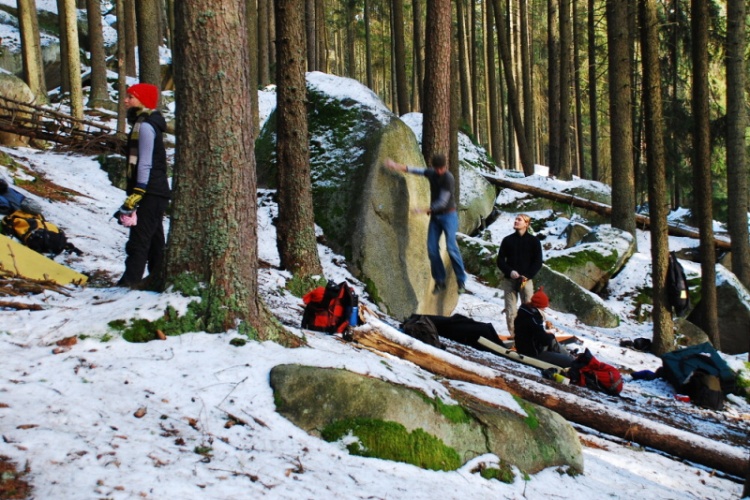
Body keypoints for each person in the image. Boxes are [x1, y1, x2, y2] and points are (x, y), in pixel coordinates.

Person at [384, 154, 467, 295]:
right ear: (434, 168)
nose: (439, 171)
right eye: (437, 169)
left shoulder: (448, 178)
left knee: (451, 247)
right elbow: (415, 170)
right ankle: (440, 281)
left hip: (448, 215)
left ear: (445, 167)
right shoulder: (431, 173)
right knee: (432, 249)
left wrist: (422, 210)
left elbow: (442, 202)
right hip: (435, 217)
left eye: (441, 169)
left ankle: (461, 280)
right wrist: (395, 166)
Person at [115, 83, 171, 289]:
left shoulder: (146, 126)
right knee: (155, 240)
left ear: (143, 101)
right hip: (154, 190)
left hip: (150, 190)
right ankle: (157, 278)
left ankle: (130, 282)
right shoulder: (142, 124)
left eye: (131, 97)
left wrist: (139, 190)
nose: (126, 100)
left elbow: (145, 161)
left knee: (139, 239)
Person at [496, 213, 543, 337]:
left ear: (526, 224)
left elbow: (538, 262)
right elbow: (500, 260)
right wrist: (510, 271)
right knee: (511, 310)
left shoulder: (534, 241)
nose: (516, 221)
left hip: (526, 280)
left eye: (519, 220)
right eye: (515, 219)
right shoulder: (507, 240)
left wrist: (527, 275)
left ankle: (529, 336)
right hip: (510, 280)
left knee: (529, 309)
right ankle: (514, 336)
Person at [514, 287, 575, 368]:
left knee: (552, 341)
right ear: (539, 306)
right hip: (533, 354)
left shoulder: (524, 313)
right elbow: (544, 340)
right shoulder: (534, 319)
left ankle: (569, 356)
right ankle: (573, 360)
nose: (545, 309)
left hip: (524, 349)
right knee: (568, 361)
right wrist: (550, 336)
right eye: (544, 307)